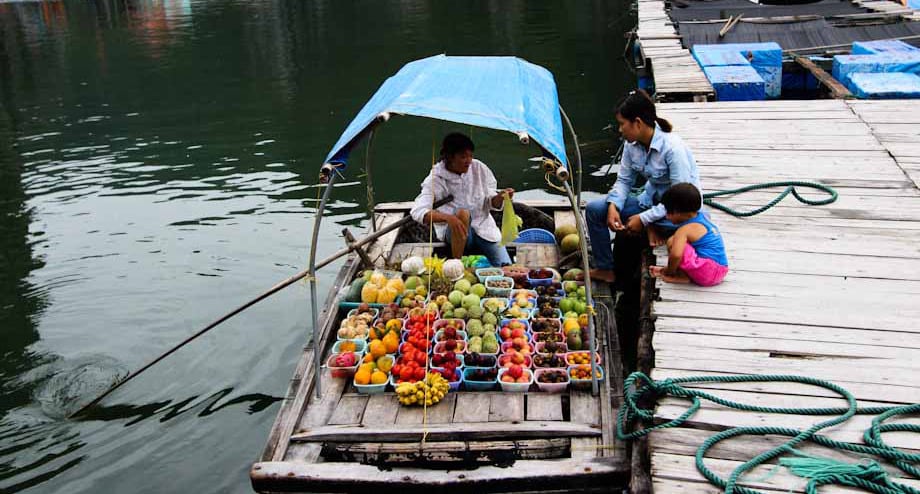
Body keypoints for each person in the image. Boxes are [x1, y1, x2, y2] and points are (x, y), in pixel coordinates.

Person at [586, 89, 702, 283]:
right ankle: (605, 268)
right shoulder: (632, 145)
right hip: (650, 202)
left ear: (637, 123)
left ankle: (653, 225)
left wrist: (645, 218)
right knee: (595, 210)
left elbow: (679, 202)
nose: (620, 129)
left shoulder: (673, 149)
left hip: (677, 211)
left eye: (622, 124)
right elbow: (624, 181)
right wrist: (614, 205)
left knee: (676, 225)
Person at [410, 132, 514, 267]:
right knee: (462, 214)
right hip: (453, 234)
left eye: (470, 156)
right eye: (463, 157)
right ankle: (456, 265)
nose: (469, 161)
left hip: (484, 228)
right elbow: (418, 211)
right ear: (449, 157)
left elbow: (490, 201)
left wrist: (500, 198)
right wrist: (449, 219)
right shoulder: (436, 179)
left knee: (506, 267)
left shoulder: (479, 168)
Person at [649, 183, 728, 286]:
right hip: (721, 270)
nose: (667, 217)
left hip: (707, 273)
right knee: (679, 242)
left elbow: (676, 255)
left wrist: (670, 271)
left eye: (668, 212)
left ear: (678, 212)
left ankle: (681, 276)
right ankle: (683, 273)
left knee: (673, 242)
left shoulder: (684, 230)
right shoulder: (703, 218)